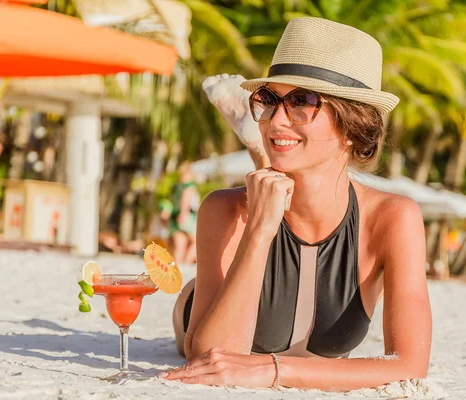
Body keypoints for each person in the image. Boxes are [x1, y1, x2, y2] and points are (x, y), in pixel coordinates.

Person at [165, 17, 431, 391]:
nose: (276, 118)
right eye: (269, 100)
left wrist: (274, 370)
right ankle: (259, 151)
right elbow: (212, 356)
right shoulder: (225, 211)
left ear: (353, 128)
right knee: (195, 314)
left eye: (301, 102)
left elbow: (409, 365)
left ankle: (256, 148)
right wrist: (259, 230)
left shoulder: (392, 218)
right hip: (201, 307)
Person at [169, 161, 200, 264]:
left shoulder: (176, 187)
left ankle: (176, 266)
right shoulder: (189, 186)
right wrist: (183, 213)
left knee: (180, 245)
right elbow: (185, 200)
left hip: (174, 216)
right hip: (186, 216)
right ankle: (186, 263)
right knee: (197, 243)